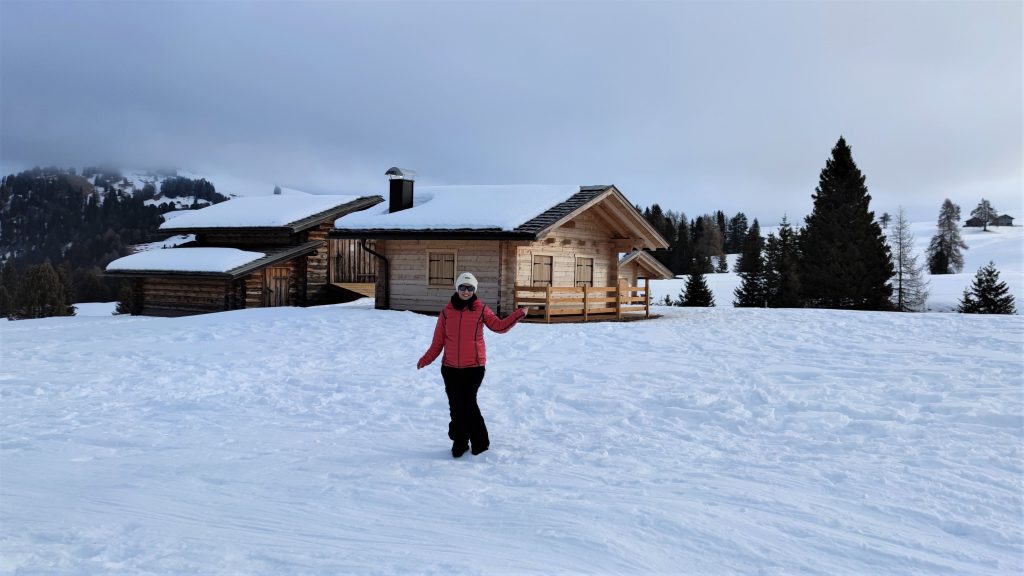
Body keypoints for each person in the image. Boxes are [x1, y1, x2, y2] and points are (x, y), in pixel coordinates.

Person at [417, 272, 528, 458]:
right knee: (455, 406)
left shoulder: (481, 310)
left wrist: (518, 314)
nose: (466, 291)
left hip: (474, 367)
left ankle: (480, 442)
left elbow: (499, 326)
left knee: (468, 403)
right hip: (450, 368)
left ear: (474, 290)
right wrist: (426, 359)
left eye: (470, 288)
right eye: (462, 287)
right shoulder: (446, 313)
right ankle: (459, 442)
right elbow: (438, 342)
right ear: (457, 289)